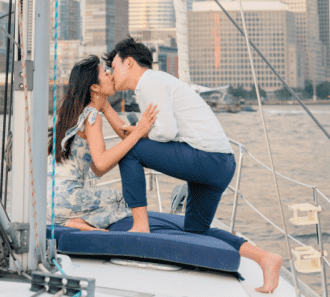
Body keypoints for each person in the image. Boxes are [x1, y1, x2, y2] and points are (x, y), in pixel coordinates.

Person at [92, 37, 283, 293]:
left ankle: (140, 226)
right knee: (196, 232)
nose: (112, 74)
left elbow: (165, 132)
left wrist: (140, 132)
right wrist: (137, 129)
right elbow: (160, 131)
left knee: (130, 151)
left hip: (206, 159)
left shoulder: (149, 82)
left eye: (114, 67)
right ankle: (265, 258)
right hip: (222, 163)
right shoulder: (156, 82)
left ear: (129, 63)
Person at [47, 55, 159, 231]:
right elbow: (101, 163)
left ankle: (74, 221)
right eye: (106, 73)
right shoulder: (92, 116)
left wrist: (105, 106)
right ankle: (79, 223)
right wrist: (139, 131)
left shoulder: (76, 114)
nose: (111, 75)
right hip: (66, 199)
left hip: (48, 200)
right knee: (123, 200)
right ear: (95, 87)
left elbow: (97, 169)